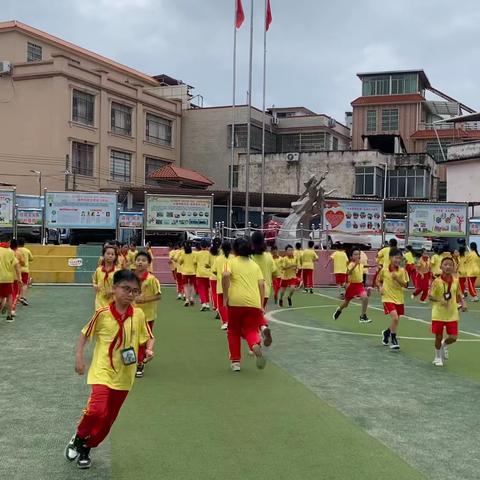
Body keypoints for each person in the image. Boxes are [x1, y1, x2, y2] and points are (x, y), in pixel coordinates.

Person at [65, 269, 154, 469]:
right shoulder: (102, 314)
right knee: (97, 410)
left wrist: (148, 350)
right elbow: (84, 335)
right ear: (114, 289)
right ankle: (78, 437)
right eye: (125, 289)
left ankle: (87, 447)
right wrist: (79, 358)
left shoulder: (138, 315)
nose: (130, 294)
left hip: (125, 376)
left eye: (134, 291)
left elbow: (148, 337)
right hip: (102, 371)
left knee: (107, 422)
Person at [222, 237, 266, 372]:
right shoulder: (255, 265)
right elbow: (261, 284)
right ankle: (254, 345)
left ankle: (236, 362)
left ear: (234, 249)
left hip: (235, 300)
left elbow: (225, 276)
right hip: (254, 302)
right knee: (251, 330)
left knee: (233, 331)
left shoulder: (231, 262)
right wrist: (261, 304)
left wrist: (225, 296)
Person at [429, 257, 467, 367]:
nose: (448, 267)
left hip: (452, 313)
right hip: (438, 313)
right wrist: (439, 300)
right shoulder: (436, 282)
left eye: (450, 265)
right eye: (445, 264)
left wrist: (463, 303)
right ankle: (437, 357)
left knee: (454, 337)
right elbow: (430, 296)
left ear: (454, 268)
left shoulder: (456, 281)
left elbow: (459, 294)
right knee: (438, 336)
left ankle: (444, 344)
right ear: (441, 267)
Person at [133, 251, 161, 378]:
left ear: (149, 264)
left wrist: (144, 299)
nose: (140, 262)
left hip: (147, 315)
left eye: (143, 260)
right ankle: (136, 359)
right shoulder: (130, 278)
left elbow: (158, 296)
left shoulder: (152, 279)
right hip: (131, 314)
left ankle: (139, 363)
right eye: (138, 259)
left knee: (142, 339)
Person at [377, 248, 409, 350]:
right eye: (396, 258)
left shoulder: (403, 271)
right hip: (387, 297)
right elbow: (378, 281)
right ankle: (393, 339)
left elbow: (406, 285)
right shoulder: (384, 270)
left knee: (396, 320)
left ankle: (387, 333)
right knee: (395, 318)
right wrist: (380, 287)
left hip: (399, 298)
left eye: (400, 258)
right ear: (391, 258)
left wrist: (397, 278)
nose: (398, 260)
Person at [251, 231, 277, 347]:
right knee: (258, 313)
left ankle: (257, 340)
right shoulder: (268, 256)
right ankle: (263, 328)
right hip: (265, 291)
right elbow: (275, 272)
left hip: (252, 290)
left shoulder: (250, 257)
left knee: (252, 318)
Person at [333, 249, 371, 323]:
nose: (357, 256)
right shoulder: (351, 264)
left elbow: (365, 266)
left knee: (365, 298)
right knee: (346, 303)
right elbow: (349, 272)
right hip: (352, 286)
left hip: (359, 286)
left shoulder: (360, 264)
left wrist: (374, 265)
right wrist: (356, 265)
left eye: (358, 254)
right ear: (351, 257)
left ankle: (363, 316)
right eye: (355, 254)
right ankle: (339, 310)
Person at [0, 236, 22, 322]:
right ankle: (9, 316)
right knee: (9, 296)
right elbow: (17, 266)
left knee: (1, 296)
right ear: (8, 242)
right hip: (7, 278)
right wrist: (19, 278)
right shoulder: (10, 252)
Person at [212, 241, 232, 330]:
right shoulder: (234, 258)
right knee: (231, 305)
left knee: (221, 305)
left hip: (221, 285)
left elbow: (214, 270)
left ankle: (225, 322)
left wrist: (220, 275)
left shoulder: (218, 259)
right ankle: (231, 322)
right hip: (232, 286)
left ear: (222, 249)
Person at [92, 245, 119, 309]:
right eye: (108, 253)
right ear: (103, 255)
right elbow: (94, 280)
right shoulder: (98, 270)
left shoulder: (117, 271)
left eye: (112, 254)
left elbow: (120, 286)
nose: (110, 256)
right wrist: (95, 285)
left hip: (113, 301)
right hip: (99, 301)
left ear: (115, 257)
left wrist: (112, 291)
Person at [177, 242, 197, 306]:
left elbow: (180, 262)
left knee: (185, 286)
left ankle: (187, 299)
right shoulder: (194, 253)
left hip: (185, 272)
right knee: (192, 285)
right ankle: (191, 298)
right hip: (193, 271)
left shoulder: (183, 254)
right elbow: (195, 262)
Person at [194, 239, 211, 311]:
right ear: (208, 246)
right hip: (209, 273)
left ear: (201, 246)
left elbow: (194, 262)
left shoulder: (197, 254)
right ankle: (207, 303)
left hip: (200, 273)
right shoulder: (210, 253)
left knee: (201, 289)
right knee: (207, 289)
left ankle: (204, 303)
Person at [17, 238, 33, 306]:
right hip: (25, 270)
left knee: (17, 284)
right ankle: (23, 297)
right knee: (24, 284)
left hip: (17, 270)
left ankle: (17, 297)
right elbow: (31, 258)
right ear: (24, 244)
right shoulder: (27, 250)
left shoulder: (16, 251)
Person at [209, 239, 221, 317]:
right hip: (220, 276)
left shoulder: (210, 253)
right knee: (221, 294)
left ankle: (216, 307)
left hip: (213, 276)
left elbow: (207, 263)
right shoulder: (223, 253)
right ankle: (220, 308)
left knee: (214, 293)